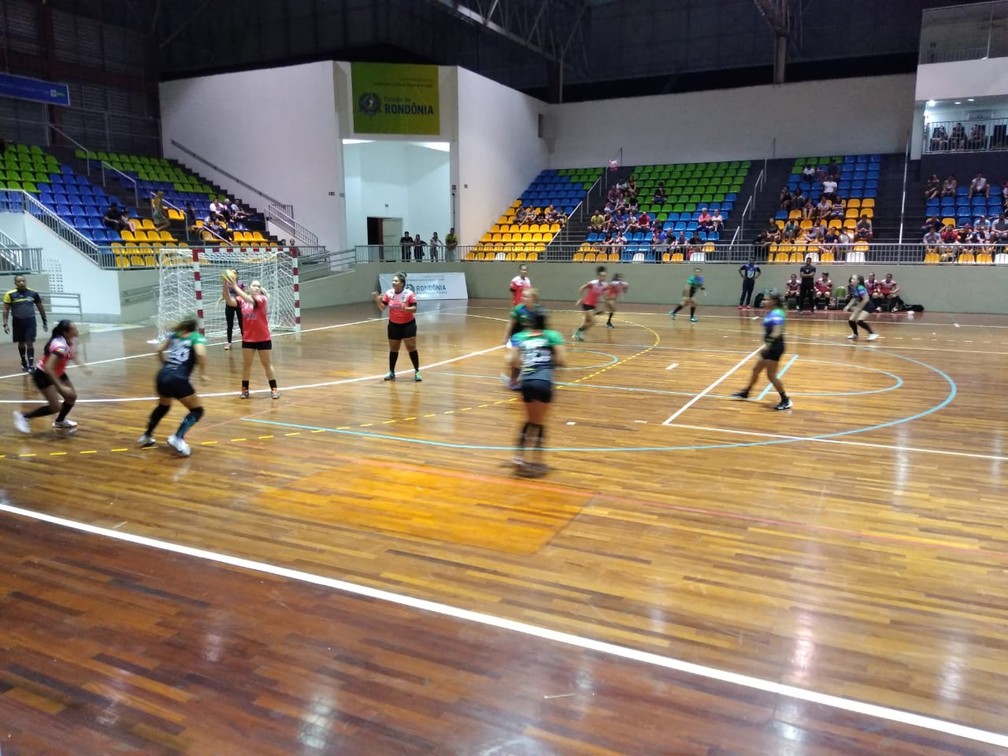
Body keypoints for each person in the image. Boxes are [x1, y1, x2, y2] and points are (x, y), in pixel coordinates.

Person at [507, 309, 566, 477]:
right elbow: (562, 360)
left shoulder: (521, 337)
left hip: (527, 382)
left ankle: (518, 456)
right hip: (543, 381)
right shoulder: (552, 336)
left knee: (529, 420)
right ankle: (537, 460)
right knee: (539, 422)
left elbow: (513, 361)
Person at [137, 317, 208, 456]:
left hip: (162, 376)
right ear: (194, 328)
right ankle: (177, 437)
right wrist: (203, 373)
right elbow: (200, 353)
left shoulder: (174, 336)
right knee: (197, 410)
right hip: (178, 379)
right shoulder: (196, 337)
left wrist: (165, 365)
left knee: (163, 406)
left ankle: (147, 435)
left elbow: (158, 350)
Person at [13, 320, 89, 434]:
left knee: (71, 397)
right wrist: (61, 387)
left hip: (58, 371)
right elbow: (49, 367)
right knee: (55, 407)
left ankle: (60, 421)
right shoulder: (59, 346)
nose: (76, 330)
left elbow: (73, 354)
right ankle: (24, 417)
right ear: (66, 332)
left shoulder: (71, 340)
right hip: (43, 374)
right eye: (74, 328)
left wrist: (83, 367)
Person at [730, 292, 792, 411]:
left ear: (773, 301)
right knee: (756, 369)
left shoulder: (777, 313)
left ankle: (786, 400)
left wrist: (768, 343)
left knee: (771, 376)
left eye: (767, 300)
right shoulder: (772, 312)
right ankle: (746, 392)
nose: (764, 301)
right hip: (770, 346)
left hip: (775, 347)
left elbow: (777, 331)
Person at [221, 277, 280, 398]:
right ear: (249, 288)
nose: (257, 288)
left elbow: (249, 300)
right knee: (247, 364)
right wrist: (225, 286)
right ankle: (244, 389)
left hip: (263, 338)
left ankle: (274, 389)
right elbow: (229, 301)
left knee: (267, 364)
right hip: (248, 339)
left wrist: (235, 286)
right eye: (254, 285)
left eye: (259, 286)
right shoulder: (241, 301)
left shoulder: (262, 299)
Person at [372, 271, 421, 382]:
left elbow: (414, 308)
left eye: (396, 281)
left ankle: (417, 371)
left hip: (408, 325)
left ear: (402, 283)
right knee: (394, 348)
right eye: (393, 281)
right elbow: (382, 308)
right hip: (394, 325)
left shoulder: (409, 294)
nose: (393, 282)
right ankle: (391, 372)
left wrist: (406, 309)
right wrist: (377, 300)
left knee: (411, 347)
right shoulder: (389, 294)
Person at [3, 275, 47, 372]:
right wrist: (5, 324)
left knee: (29, 342)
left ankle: (31, 365)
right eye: (19, 281)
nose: (21, 283)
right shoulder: (10, 294)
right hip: (17, 321)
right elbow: (6, 309)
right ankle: (24, 362)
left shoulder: (33, 293)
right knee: (21, 343)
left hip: (30, 321)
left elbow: (40, 307)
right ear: (15, 283)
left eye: (23, 281)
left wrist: (44, 320)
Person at [503, 287, 543, 389]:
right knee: (513, 360)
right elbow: (510, 324)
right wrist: (505, 338)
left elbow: (542, 328)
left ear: (533, 299)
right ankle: (513, 380)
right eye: (522, 296)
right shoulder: (518, 309)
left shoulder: (539, 311)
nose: (522, 298)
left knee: (530, 360)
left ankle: (529, 379)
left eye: (526, 296)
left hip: (531, 338)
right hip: (517, 337)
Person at [573, 265, 607, 341]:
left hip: (593, 305)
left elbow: (604, 295)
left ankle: (578, 333)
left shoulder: (604, 285)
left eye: (604, 276)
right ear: (598, 276)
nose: (603, 278)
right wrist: (580, 298)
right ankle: (579, 332)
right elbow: (581, 288)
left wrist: (603, 306)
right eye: (602, 276)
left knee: (587, 321)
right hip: (587, 304)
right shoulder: (593, 283)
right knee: (593, 322)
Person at [844, 275, 878, 342]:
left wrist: (858, 308)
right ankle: (855, 334)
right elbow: (854, 298)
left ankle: (872, 334)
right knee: (851, 320)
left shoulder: (860, 288)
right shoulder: (854, 288)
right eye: (851, 279)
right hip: (861, 305)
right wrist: (848, 306)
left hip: (868, 306)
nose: (851, 280)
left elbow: (866, 299)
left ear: (858, 281)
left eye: (853, 279)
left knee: (859, 321)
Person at [219, 269, 244, 350]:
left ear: (237, 275)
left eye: (234, 273)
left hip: (238, 304)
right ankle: (229, 342)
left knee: (241, 323)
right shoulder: (227, 283)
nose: (233, 274)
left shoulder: (240, 283)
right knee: (230, 324)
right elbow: (224, 294)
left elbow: (243, 293)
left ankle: (245, 340)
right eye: (231, 272)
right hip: (229, 304)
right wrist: (219, 300)